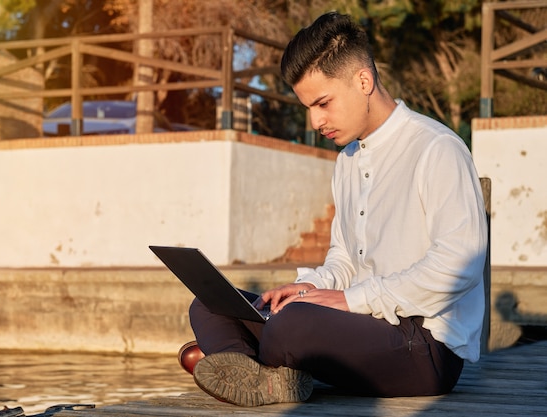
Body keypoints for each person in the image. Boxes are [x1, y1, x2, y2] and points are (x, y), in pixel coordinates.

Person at [180, 11, 488, 407]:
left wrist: (349, 301)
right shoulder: (348, 161)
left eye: (323, 103)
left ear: (363, 80)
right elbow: (345, 261)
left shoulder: (436, 148)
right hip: (362, 326)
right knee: (212, 304)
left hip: (424, 346)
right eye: (309, 107)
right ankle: (251, 372)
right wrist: (312, 287)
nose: (315, 120)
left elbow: (458, 264)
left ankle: (237, 359)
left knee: (292, 325)